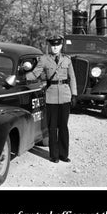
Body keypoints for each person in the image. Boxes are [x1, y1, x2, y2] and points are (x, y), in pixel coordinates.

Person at [26, 35, 77, 163]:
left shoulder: (67, 59)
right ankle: (54, 155)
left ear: (61, 45)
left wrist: (74, 94)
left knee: (63, 127)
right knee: (52, 127)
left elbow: (73, 78)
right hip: (51, 96)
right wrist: (22, 77)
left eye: (57, 45)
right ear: (50, 46)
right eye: (53, 45)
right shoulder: (44, 59)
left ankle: (64, 154)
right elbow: (35, 74)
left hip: (65, 95)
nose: (55, 47)